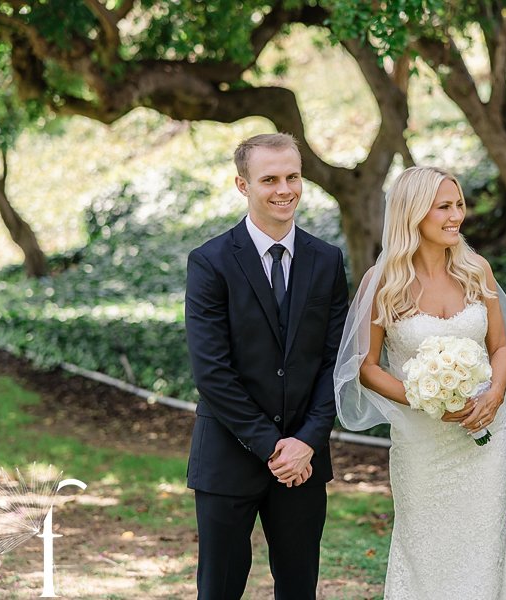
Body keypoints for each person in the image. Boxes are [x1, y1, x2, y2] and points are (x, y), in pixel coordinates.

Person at [333, 166, 506, 599]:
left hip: (484, 436)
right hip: (422, 442)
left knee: (484, 545)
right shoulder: (383, 282)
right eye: (444, 207)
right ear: (413, 213)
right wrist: (421, 399)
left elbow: (501, 349)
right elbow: (368, 366)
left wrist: (494, 394)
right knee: (425, 548)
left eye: (459, 205)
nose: (457, 215)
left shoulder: (477, 270)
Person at [185, 133, 349, 600]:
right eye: (269, 179)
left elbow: (335, 361)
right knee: (218, 590)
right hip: (228, 457)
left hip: (303, 461)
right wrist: (274, 446)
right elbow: (211, 372)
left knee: (299, 590)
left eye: (293, 176)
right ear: (243, 185)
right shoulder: (210, 262)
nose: (284, 189)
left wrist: (306, 442)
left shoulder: (326, 259)